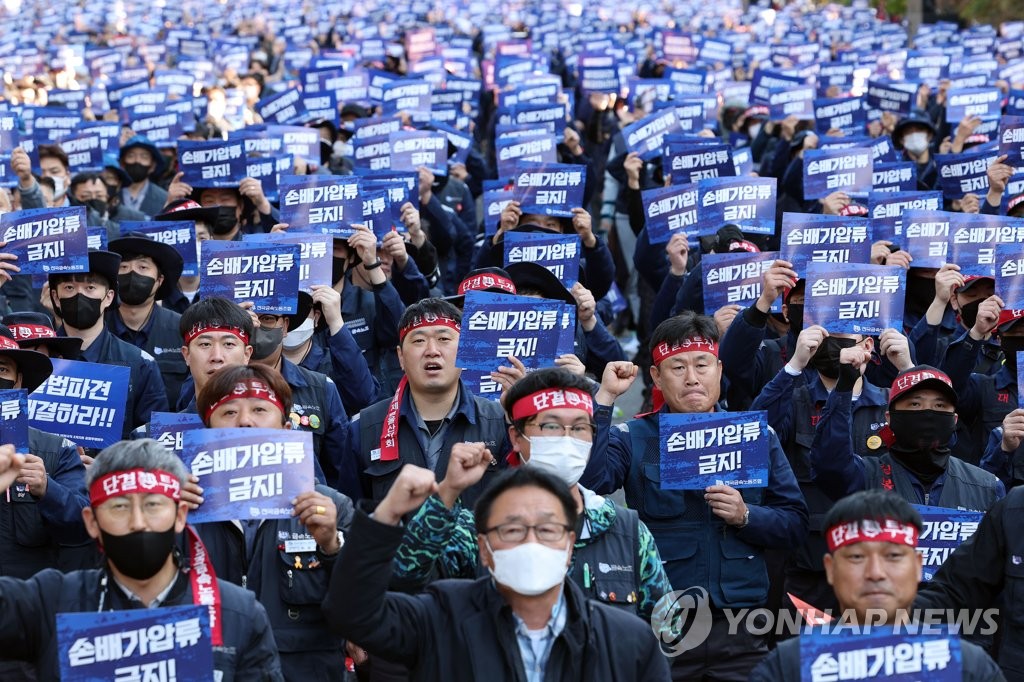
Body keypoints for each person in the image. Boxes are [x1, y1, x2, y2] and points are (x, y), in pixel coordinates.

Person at [579, 311, 808, 680]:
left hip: (742, 625)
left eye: (702, 364)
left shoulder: (755, 437)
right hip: (665, 621)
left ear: (718, 369)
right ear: (655, 376)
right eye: (677, 367)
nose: (692, 378)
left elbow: (795, 524)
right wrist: (603, 400)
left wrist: (745, 515)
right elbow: (591, 483)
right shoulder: (634, 438)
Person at [323, 465, 671, 681]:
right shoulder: (440, 617)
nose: (531, 542)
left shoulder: (628, 640)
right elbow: (352, 612)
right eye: (512, 530)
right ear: (485, 549)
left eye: (547, 530)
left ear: (569, 545)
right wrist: (387, 514)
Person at [392, 367, 672, 621]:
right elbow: (405, 577)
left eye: (579, 428)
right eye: (550, 426)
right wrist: (448, 492)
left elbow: (666, 630)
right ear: (516, 437)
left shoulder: (627, 531)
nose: (566, 438)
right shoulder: (479, 529)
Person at [0, 439, 284, 680]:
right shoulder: (50, 601)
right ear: (92, 522)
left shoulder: (238, 613)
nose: (138, 522)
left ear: (180, 515)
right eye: (120, 506)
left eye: (152, 505)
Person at [189, 364, 354, 681]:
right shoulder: (182, 510)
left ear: (286, 428)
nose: (245, 421)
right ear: (207, 430)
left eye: (260, 409)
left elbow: (363, 609)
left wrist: (332, 544)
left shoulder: (330, 507)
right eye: (228, 412)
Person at [750, 490, 1004, 681]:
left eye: (893, 556)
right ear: (830, 569)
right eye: (857, 557)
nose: (875, 573)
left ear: (917, 565)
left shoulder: (968, 667)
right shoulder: (789, 667)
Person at [347, 298, 508, 505]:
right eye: (418, 341)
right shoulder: (365, 427)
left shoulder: (499, 420)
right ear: (401, 358)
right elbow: (352, 521)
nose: (432, 350)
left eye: (444, 339)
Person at [809, 357, 1004, 511]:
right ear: (889, 418)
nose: (928, 413)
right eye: (915, 404)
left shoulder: (986, 487)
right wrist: (844, 388)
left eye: (939, 405)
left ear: (954, 420)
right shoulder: (864, 476)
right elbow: (829, 462)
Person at [48, 249, 169, 437]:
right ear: (56, 297)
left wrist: (108, 463)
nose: (80, 296)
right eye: (70, 288)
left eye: (90, 288)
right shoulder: (37, 358)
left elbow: (153, 439)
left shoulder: (141, 364)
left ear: (109, 297)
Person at [107, 232, 187, 409]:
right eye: (123, 267)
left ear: (159, 280)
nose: (132, 273)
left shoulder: (182, 329)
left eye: (143, 267)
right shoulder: (95, 329)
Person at [119, 135, 169, 218]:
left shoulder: (164, 199)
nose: (137, 161)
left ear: (152, 166)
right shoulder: (110, 195)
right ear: (122, 163)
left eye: (144, 157)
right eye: (131, 156)